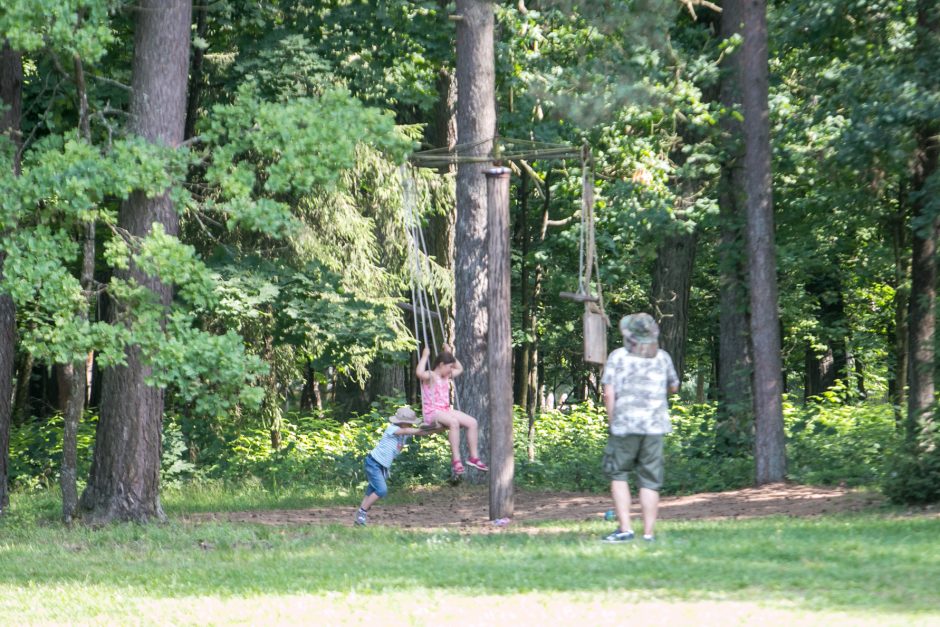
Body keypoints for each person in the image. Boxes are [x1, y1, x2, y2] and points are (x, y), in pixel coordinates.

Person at [600, 313, 680, 543]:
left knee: (619, 473)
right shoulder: (663, 357)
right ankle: (648, 533)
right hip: (655, 426)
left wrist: (612, 419)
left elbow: (608, 392)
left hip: (625, 424)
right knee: (650, 480)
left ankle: (625, 529)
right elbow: (674, 386)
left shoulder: (618, 357)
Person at [355, 406, 438, 526]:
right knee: (381, 490)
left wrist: (438, 428)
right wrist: (420, 429)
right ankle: (362, 512)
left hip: (382, 466)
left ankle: (360, 517)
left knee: (372, 490)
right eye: (409, 424)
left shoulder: (405, 434)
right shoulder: (392, 428)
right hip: (374, 462)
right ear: (402, 422)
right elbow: (407, 431)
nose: (411, 426)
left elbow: (421, 432)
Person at [416, 343, 488, 475]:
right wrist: (425, 356)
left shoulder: (446, 376)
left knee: (473, 423)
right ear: (441, 364)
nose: (451, 370)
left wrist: (450, 353)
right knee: (454, 422)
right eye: (449, 367)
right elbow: (419, 373)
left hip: (445, 410)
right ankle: (456, 460)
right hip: (433, 413)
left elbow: (460, 368)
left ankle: (474, 457)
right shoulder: (431, 375)